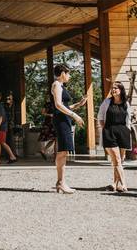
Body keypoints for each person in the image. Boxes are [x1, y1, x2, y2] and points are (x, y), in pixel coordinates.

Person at [51, 63, 87, 193]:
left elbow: (64, 105)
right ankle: (60, 182)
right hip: (60, 120)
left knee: (64, 151)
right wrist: (75, 116)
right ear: (62, 74)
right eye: (68, 73)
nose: (69, 76)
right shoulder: (56, 85)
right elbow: (58, 105)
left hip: (64, 119)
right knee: (63, 151)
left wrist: (78, 105)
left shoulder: (60, 86)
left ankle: (61, 182)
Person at [98, 81, 132, 192]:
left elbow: (128, 120)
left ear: (121, 90)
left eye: (116, 88)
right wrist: (105, 129)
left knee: (120, 161)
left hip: (122, 132)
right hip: (110, 132)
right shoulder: (107, 102)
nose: (113, 90)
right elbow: (100, 117)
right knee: (117, 159)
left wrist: (127, 132)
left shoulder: (126, 104)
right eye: (112, 88)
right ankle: (124, 184)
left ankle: (115, 184)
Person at [0, 91, 18, 164]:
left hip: (1, 127)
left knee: (2, 142)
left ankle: (12, 156)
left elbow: (0, 117)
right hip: (1, 127)